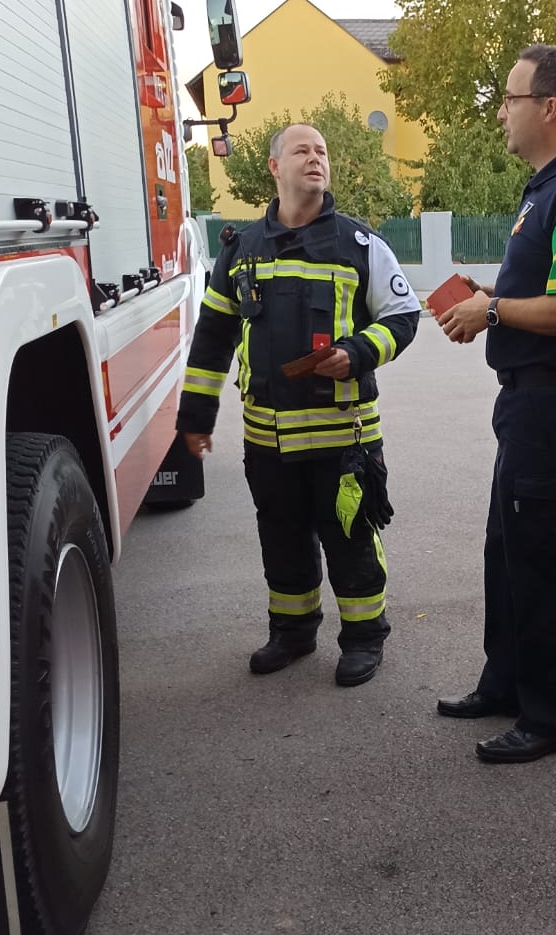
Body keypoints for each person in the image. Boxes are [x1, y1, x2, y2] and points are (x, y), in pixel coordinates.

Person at [177, 123, 420, 687]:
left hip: (343, 438)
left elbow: (403, 317)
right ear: (274, 167)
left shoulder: (361, 245)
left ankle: (364, 638)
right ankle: (292, 632)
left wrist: (358, 352)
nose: (316, 158)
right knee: (281, 539)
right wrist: (196, 417)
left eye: (322, 151)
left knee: (351, 539)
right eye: (302, 150)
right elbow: (211, 339)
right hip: (268, 440)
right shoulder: (240, 250)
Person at [435, 45, 556, 762]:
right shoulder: (546, 189)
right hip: (525, 403)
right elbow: (544, 291)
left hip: (551, 403)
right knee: (507, 549)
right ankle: (506, 682)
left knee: (541, 558)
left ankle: (549, 718)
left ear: (548, 107)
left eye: (509, 100)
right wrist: (490, 297)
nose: (500, 115)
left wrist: (493, 310)